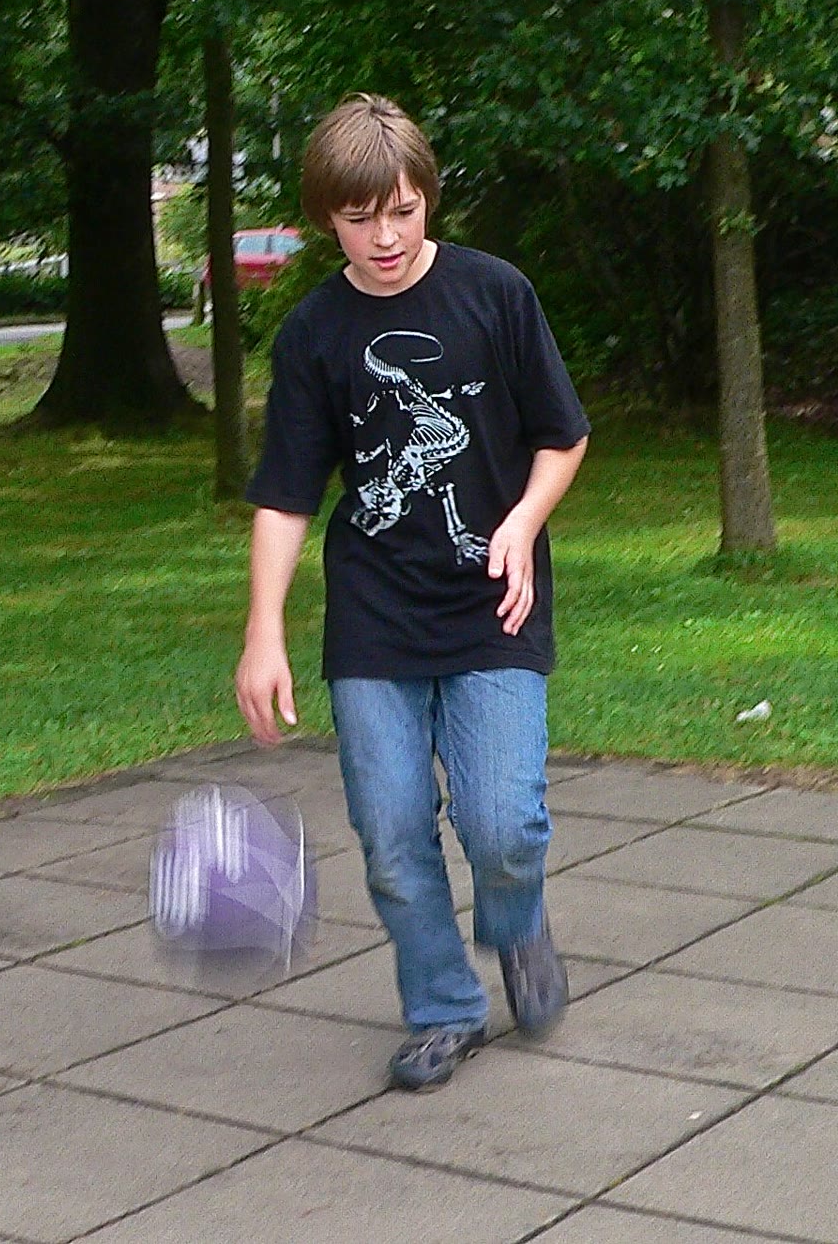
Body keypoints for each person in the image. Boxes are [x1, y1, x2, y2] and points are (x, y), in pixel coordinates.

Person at [235, 93, 591, 1092]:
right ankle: (443, 1007)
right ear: (326, 218)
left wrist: (521, 521)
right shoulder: (314, 334)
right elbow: (286, 495)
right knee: (392, 836)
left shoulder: (495, 294)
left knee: (503, 825)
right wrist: (263, 631)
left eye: (402, 210)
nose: (385, 237)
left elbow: (562, 435)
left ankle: (517, 920)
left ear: (427, 196)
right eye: (360, 218)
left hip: (492, 601)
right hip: (375, 616)